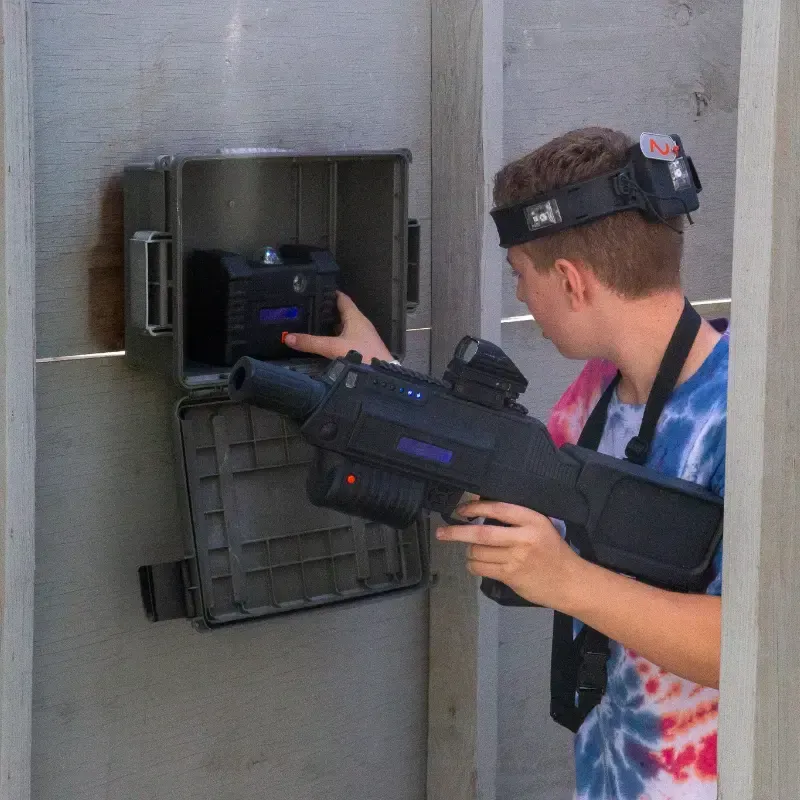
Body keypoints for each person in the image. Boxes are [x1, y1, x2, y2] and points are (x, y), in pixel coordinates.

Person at [284, 127, 727, 800]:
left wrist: (567, 581)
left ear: (571, 281)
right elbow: (504, 484)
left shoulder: (759, 420)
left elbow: (757, 642)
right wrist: (382, 383)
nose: (522, 300)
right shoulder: (597, 399)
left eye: (521, 276)